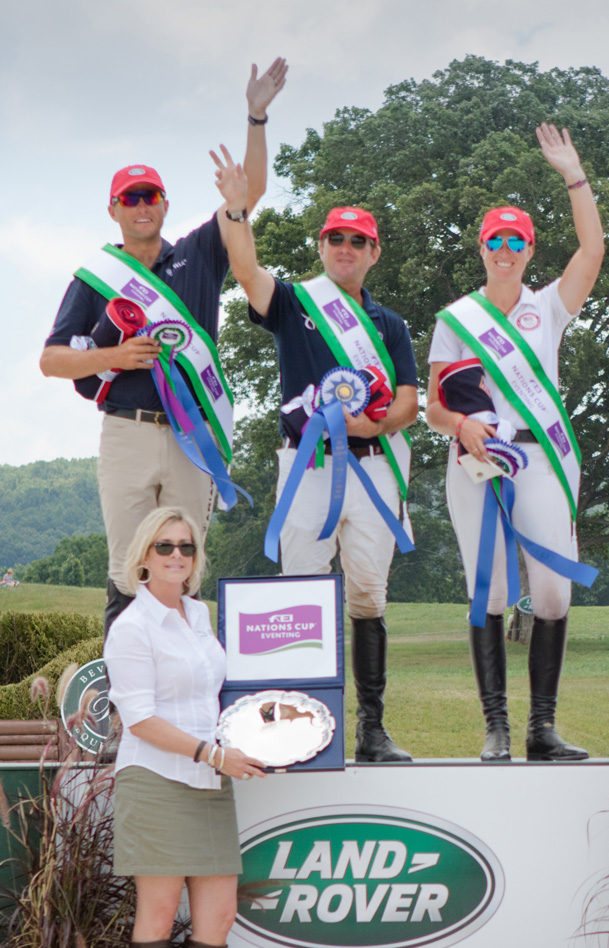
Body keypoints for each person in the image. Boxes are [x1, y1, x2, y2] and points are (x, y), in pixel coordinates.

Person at [40, 59, 288, 638]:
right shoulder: (96, 278)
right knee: (128, 568)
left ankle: (189, 690)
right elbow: (52, 360)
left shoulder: (198, 254)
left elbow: (246, 194)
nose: (142, 206)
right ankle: (128, 706)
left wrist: (256, 116)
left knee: (185, 562)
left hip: (190, 435)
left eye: (150, 195)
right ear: (114, 210)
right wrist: (114, 358)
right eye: (130, 198)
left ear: (165, 203)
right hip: (125, 429)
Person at [211, 151, 418, 763]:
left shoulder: (391, 324)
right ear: (322, 246)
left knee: (369, 597)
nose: (346, 247)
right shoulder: (297, 302)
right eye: (336, 238)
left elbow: (408, 401)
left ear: (374, 252)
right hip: (305, 465)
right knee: (298, 591)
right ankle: (298, 732)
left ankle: (372, 731)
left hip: (373, 464)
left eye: (359, 240)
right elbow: (246, 269)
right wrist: (236, 207)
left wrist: (366, 420)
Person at [426, 123, 605, 762]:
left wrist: (573, 174)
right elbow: (434, 403)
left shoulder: (549, 307)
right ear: (481, 248)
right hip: (475, 459)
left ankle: (543, 729)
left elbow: (593, 249)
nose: (505, 250)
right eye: (495, 240)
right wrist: (462, 427)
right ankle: (497, 727)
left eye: (516, 241)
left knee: (553, 592)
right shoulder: (457, 319)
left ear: (529, 250)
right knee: (492, 591)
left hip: (542, 454)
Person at [104, 507, 266, 948]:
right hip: (156, 778)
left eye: (187, 548)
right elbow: (141, 719)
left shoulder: (200, 617)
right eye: (165, 546)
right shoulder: (131, 627)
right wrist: (210, 754)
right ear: (143, 556)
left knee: (218, 916)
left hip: (209, 778)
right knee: (157, 912)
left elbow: (216, 695)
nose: (177, 556)